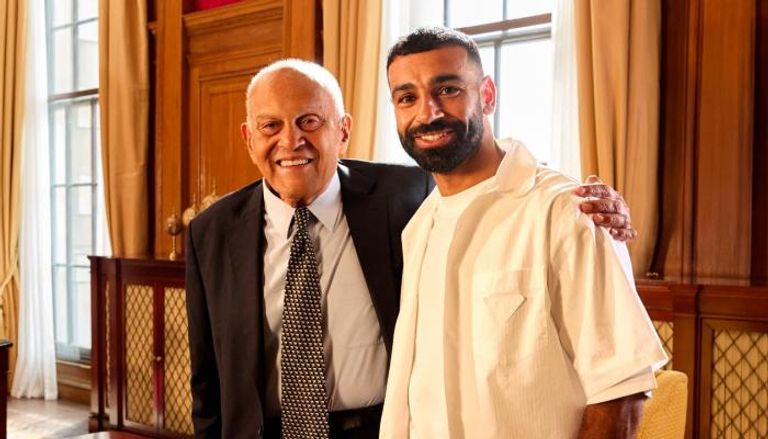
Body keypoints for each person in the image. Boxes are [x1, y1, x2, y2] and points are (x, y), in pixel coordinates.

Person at [185, 59, 637, 439]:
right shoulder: (211, 232)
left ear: (342, 131)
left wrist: (586, 201)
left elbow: (493, 188)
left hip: (381, 428)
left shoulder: (411, 195)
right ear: (249, 137)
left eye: (310, 121)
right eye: (270, 125)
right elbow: (207, 382)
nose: (290, 141)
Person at [379, 27, 668, 439]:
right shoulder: (419, 224)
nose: (428, 113)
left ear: (487, 95)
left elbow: (620, 390)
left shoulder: (568, 211)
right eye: (407, 97)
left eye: (447, 90)